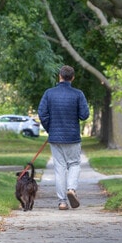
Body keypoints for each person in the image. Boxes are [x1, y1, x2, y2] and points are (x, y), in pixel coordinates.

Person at [38, 65, 90, 210]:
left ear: (59, 76)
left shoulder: (49, 93)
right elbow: (84, 115)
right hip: (73, 136)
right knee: (74, 164)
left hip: (55, 138)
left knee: (59, 168)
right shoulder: (78, 94)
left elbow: (42, 113)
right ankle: (71, 189)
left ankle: (62, 202)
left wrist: (51, 129)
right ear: (72, 78)